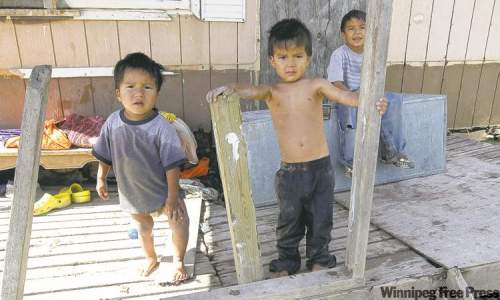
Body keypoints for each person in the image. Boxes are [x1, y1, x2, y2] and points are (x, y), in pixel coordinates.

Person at [206, 19, 387, 276]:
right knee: (289, 221)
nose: (290, 63)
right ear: (272, 60)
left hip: (320, 170)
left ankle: (319, 259)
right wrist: (230, 88)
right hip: (290, 173)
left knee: (321, 219)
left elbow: (345, 96)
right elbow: (249, 90)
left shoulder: (317, 85)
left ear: (308, 58)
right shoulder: (272, 91)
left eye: (297, 56)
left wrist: (370, 102)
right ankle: (288, 261)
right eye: (282, 57)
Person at [92, 52, 190, 284]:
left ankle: (178, 258)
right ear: (118, 93)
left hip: (164, 191)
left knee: (179, 222)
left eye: (147, 87)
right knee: (144, 228)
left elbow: (172, 166)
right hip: (133, 193)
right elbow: (104, 154)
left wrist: (173, 197)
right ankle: (151, 257)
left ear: (157, 93)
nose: (138, 93)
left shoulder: (161, 128)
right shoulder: (113, 123)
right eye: (130, 86)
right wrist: (101, 178)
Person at [327, 9, 414, 177]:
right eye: (351, 28)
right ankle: (350, 162)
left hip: (368, 95)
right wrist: (354, 97)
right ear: (343, 34)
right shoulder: (339, 54)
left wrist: (377, 98)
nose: (357, 32)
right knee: (350, 109)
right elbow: (335, 82)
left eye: (362, 27)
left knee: (393, 99)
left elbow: (377, 79)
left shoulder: (373, 54)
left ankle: (392, 152)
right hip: (345, 96)